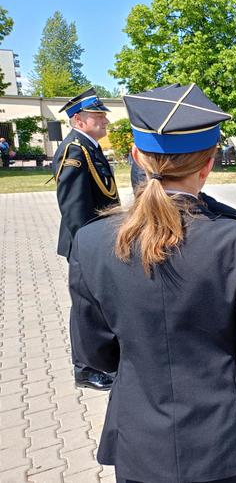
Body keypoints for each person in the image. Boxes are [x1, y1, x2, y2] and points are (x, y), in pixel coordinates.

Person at [68, 83, 236, 483]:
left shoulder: (91, 241)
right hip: (227, 440)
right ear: (209, 165)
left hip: (139, 438)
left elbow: (94, 356)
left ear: (136, 156)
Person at [52, 87, 119, 391]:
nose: (105, 121)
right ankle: (86, 368)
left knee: (98, 304)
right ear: (79, 120)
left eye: (104, 116)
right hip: (84, 243)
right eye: (98, 116)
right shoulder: (74, 150)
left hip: (96, 239)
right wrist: (86, 247)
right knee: (85, 308)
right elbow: (73, 206)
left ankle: (102, 359)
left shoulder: (88, 145)